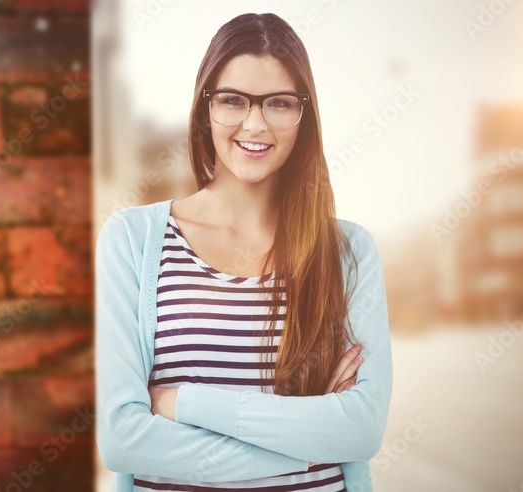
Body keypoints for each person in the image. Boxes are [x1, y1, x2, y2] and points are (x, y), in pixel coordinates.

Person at [94, 12, 393, 492]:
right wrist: (309, 444)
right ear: (204, 109)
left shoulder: (348, 252)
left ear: (304, 114)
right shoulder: (132, 240)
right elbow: (124, 441)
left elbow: (360, 430)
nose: (255, 124)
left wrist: (179, 403)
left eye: (278, 103)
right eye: (233, 100)